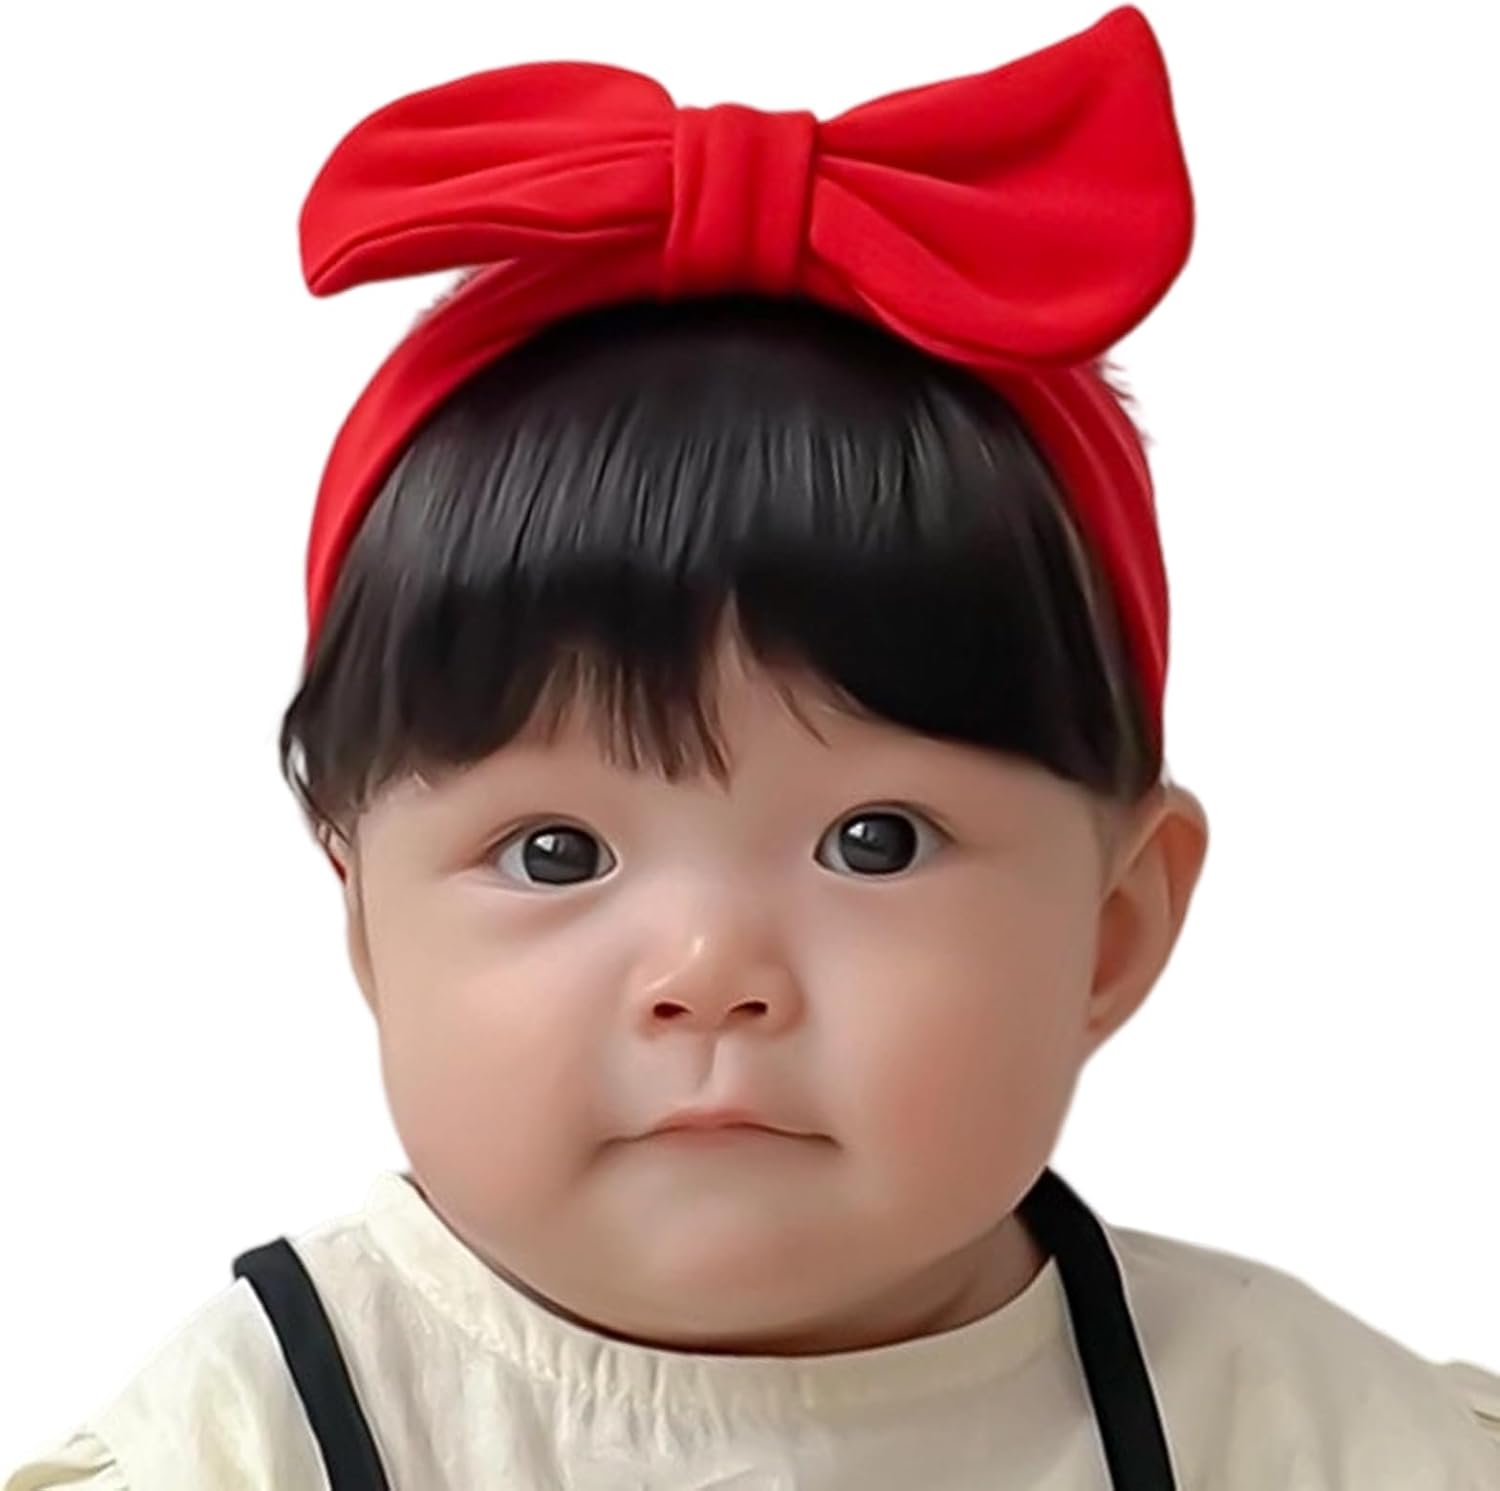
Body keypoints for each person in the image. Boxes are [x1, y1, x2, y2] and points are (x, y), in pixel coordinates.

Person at [7, 7, 1498, 1488]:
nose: (709, 973)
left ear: (1113, 930)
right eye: (555, 853)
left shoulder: (1318, 1443)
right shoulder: (248, 1448)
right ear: (367, 926)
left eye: (875, 842)